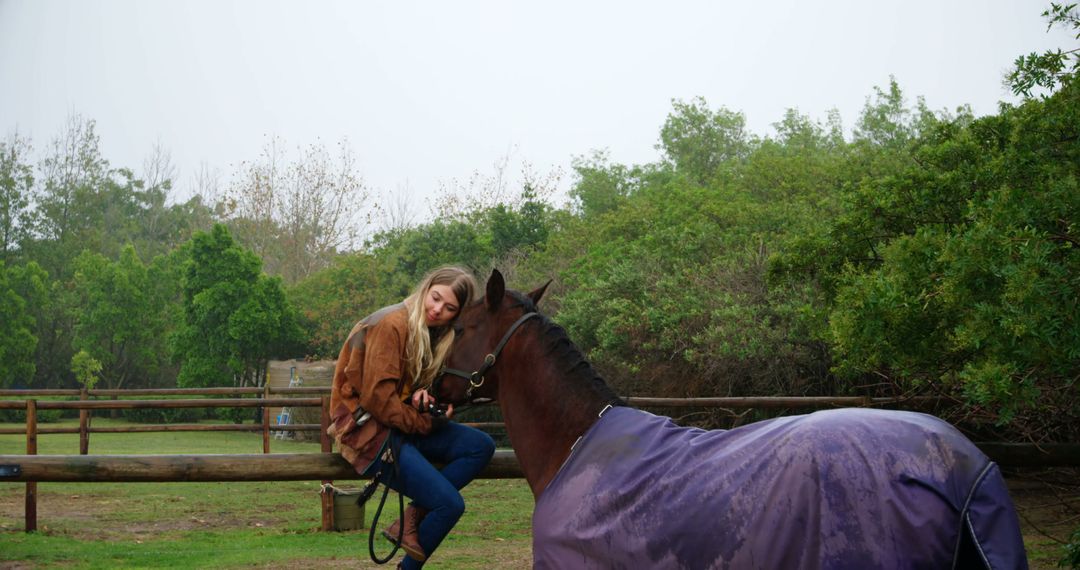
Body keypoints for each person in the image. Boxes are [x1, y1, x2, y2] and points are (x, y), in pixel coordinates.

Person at [326, 266, 495, 569]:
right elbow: (379, 401)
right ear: (426, 288)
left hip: (397, 425)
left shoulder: (428, 335)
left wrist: (422, 398)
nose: (437, 310)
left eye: (449, 308)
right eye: (435, 298)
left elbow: (399, 393)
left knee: (480, 446)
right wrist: (426, 422)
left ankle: (412, 517)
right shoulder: (392, 324)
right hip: (367, 433)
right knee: (448, 505)